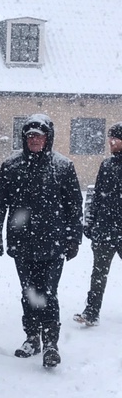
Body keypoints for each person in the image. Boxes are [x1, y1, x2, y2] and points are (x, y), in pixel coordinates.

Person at [0, 114, 83, 368]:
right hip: (23, 243)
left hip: (54, 243)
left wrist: (74, 238)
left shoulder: (63, 167)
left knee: (48, 292)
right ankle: (32, 337)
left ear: (48, 138)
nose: (34, 140)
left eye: (39, 136)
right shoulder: (12, 166)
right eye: (30, 136)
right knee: (29, 292)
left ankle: (51, 342)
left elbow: (74, 205)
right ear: (24, 138)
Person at [74, 122, 122, 327]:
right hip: (104, 230)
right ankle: (92, 312)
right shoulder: (107, 165)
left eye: (115, 138)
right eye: (110, 138)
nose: (111, 142)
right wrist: (90, 221)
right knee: (98, 273)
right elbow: (96, 195)